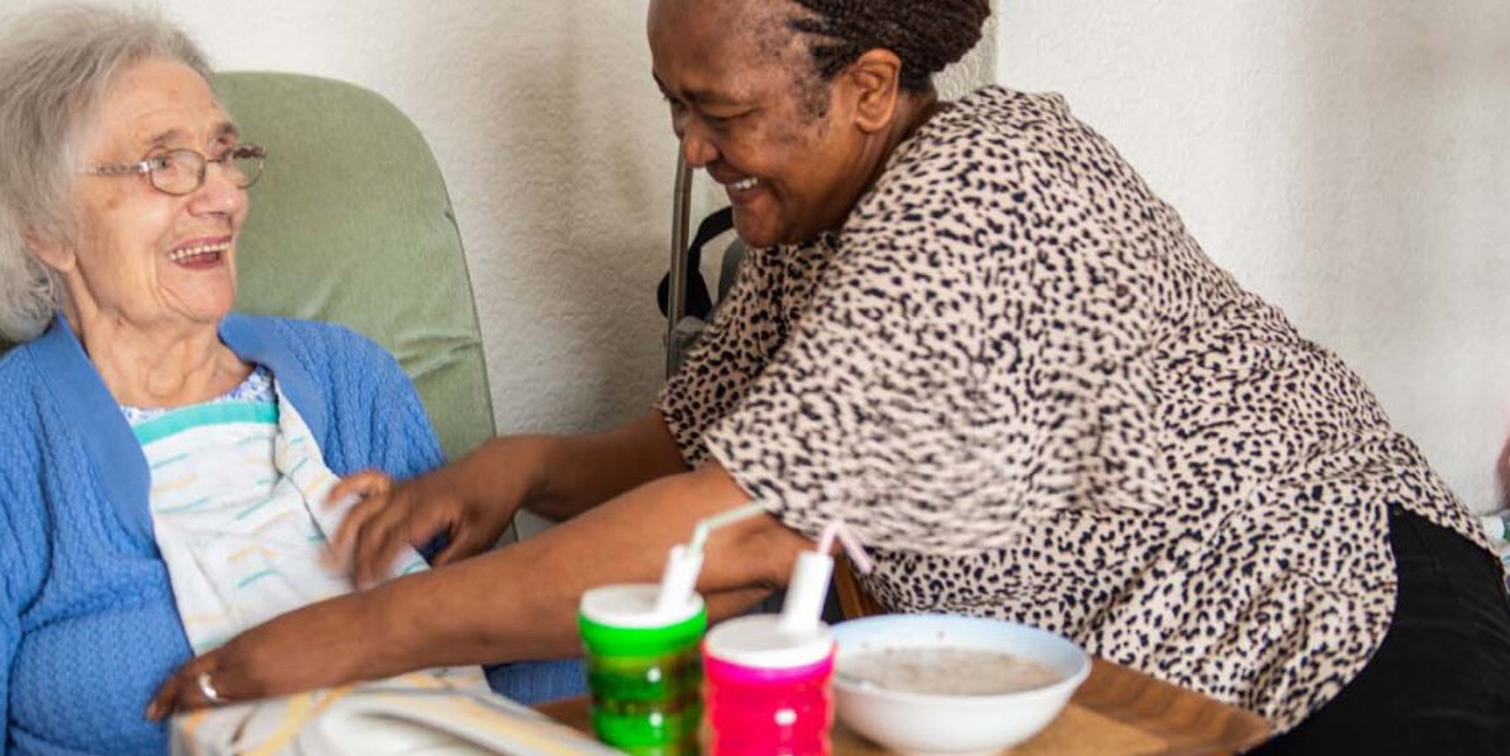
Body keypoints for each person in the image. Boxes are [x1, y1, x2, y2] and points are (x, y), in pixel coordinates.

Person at [147, 0, 1510, 752]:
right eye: (673, 105)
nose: (690, 148)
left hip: (1340, 624)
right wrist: (524, 467)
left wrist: (332, 643)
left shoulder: (990, 184)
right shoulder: (808, 235)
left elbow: (732, 527)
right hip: (1112, 684)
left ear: (864, 85)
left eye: (721, 111)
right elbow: (696, 448)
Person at [0, 8, 574, 755]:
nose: (225, 196)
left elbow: (494, 643)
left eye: (225, 155)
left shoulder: (350, 380)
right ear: (44, 227)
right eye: (164, 163)